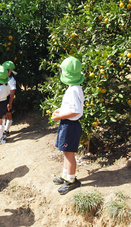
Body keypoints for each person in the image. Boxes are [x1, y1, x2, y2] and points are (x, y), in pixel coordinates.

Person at [51, 57, 84, 195]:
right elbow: (71, 107)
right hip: (68, 123)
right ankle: (65, 175)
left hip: (70, 125)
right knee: (65, 151)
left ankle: (71, 180)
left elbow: (76, 111)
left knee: (69, 153)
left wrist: (59, 116)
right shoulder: (75, 88)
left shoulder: (73, 90)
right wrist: (61, 111)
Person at [2, 61, 17, 136]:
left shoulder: (11, 80)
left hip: (8, 99)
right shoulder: (4, 78)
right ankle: (3, 130)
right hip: (3, 98)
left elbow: (12, 92)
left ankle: (6, 130)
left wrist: (10, 103)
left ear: (10, 71)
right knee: (3, 114)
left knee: (8, 114)